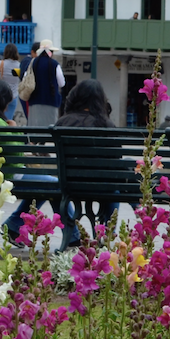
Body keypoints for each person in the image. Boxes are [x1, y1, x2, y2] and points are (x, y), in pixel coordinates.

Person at [40, 79, 116, 250]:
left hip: (69, 185)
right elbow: (115, 158)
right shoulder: (105, 124)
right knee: (115, 187)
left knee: (56, 190)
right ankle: (108, 236)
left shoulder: (63, 123)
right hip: (101, 185)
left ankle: (73, 236)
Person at [25, 39, 65, 127]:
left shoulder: (33, 63)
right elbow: (62, 83)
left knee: (35, 127)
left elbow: (26, 77)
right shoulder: (55, 64)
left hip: (34, 99)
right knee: (49, 127)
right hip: (51, 99)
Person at [0, 44, 25, 121]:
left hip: (1, 95)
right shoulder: (19, 65)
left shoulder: (0, 63)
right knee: (8, 120)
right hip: (13, 96)